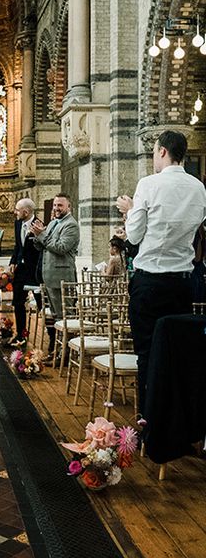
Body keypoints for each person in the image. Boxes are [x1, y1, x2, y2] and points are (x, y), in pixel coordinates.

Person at [116, 130, 206, 412]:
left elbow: (133, 235)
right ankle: (176, 422)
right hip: (182, 282)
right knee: (175, 351)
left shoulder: (149, 184)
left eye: (155, 152)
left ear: (163, 151)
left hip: (150, 283)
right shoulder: (198, 187)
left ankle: (148, 421)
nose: (154, 157)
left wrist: (130, 210)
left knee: (146, 353)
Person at [31, 193, 80, 359]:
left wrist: (42, 235)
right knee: (55, 316)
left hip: (62, 277)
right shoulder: (53, 223)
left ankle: (66, 353)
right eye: (55, 205)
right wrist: (36, 236)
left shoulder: (71, 225)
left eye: (60, 205)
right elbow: (43, 246)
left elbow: (61, 247)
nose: (56, 208)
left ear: (68, 207)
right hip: (50, 276)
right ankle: (57, 350)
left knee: (65, 316)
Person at [9, 198, 40, 346]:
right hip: (21, 271)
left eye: (17, 209)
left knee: (41, 304)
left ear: (25, 212)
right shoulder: (18, 223)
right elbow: (18, 246)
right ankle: (20, 335)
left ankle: (52, 340)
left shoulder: (39, 225)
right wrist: (13, 262)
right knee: (18, 303)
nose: (15, 212)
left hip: (34, 272)